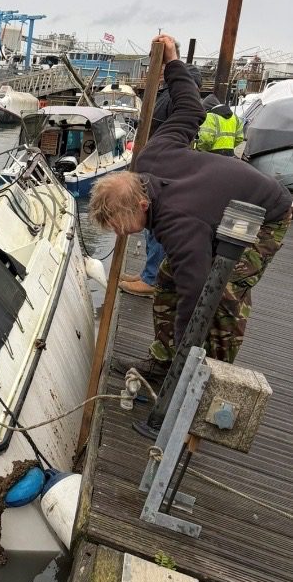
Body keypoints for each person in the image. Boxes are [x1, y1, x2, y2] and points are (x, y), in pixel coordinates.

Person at [89, 34, 292, 382]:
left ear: (141, 203)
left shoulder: (176, 223)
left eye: (122, 225)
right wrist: (172, 62)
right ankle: (164, 361)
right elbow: (189, 108)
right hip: (220, 207)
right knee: (167, 278)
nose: (122, 234)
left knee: (223, 292)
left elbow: (195, 292)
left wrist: (187, 354)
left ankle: (206, 379)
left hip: (267, 214)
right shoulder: (152, 156)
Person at [119, 59, 205, 298]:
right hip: (153, 167)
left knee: (156, 225)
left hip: (162, 170)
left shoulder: (176, 99)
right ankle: (149, 272)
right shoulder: (168, 96)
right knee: (149, 228)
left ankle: (152, 279)